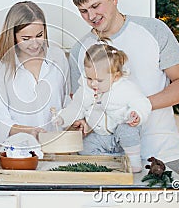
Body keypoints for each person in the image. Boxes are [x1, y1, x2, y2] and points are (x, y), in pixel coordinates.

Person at [69, 0, 179, 177]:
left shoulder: (154, 30)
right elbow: (83, 105)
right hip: (107, 162)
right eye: (83, 11)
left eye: (95, 6)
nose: (91, 16)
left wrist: (138, 106)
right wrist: (82, 121)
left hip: (161, 156)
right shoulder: (79, 50)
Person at [0, 1, 71, 145]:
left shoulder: (58, 57)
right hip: (18, 152)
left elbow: (66, 99)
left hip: (56, 148)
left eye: (39, 35)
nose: (35, 44)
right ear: (13, 36)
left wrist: (73, 119)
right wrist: (28, 132)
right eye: (26, 39)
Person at [55, 43, 151, 172]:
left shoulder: (125, 88)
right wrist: (63, 118)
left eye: (99, 80)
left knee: (128, 130)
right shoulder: (86, 91)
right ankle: (109, 161)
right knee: (85, 147)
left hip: (120, 135)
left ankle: (133, 162)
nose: (93, 83)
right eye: (89, 78)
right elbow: (76, 107)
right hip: (100, 136)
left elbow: (142, 102)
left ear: (115, 76)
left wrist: (137, 114)